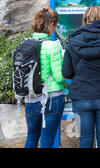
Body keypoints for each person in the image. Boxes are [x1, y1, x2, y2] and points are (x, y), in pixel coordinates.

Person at [62, 6, 100, 148]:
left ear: (85, 18)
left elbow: (66, 73)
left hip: (80, 98)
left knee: (85, 140)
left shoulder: (73, 40)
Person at [24, 8, 65, 148]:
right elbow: (59, 77)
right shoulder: (52, 46)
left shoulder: (24, 44)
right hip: (52, 99)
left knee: (31, 136)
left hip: (30, 97)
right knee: (47, 140)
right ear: (51, 24)